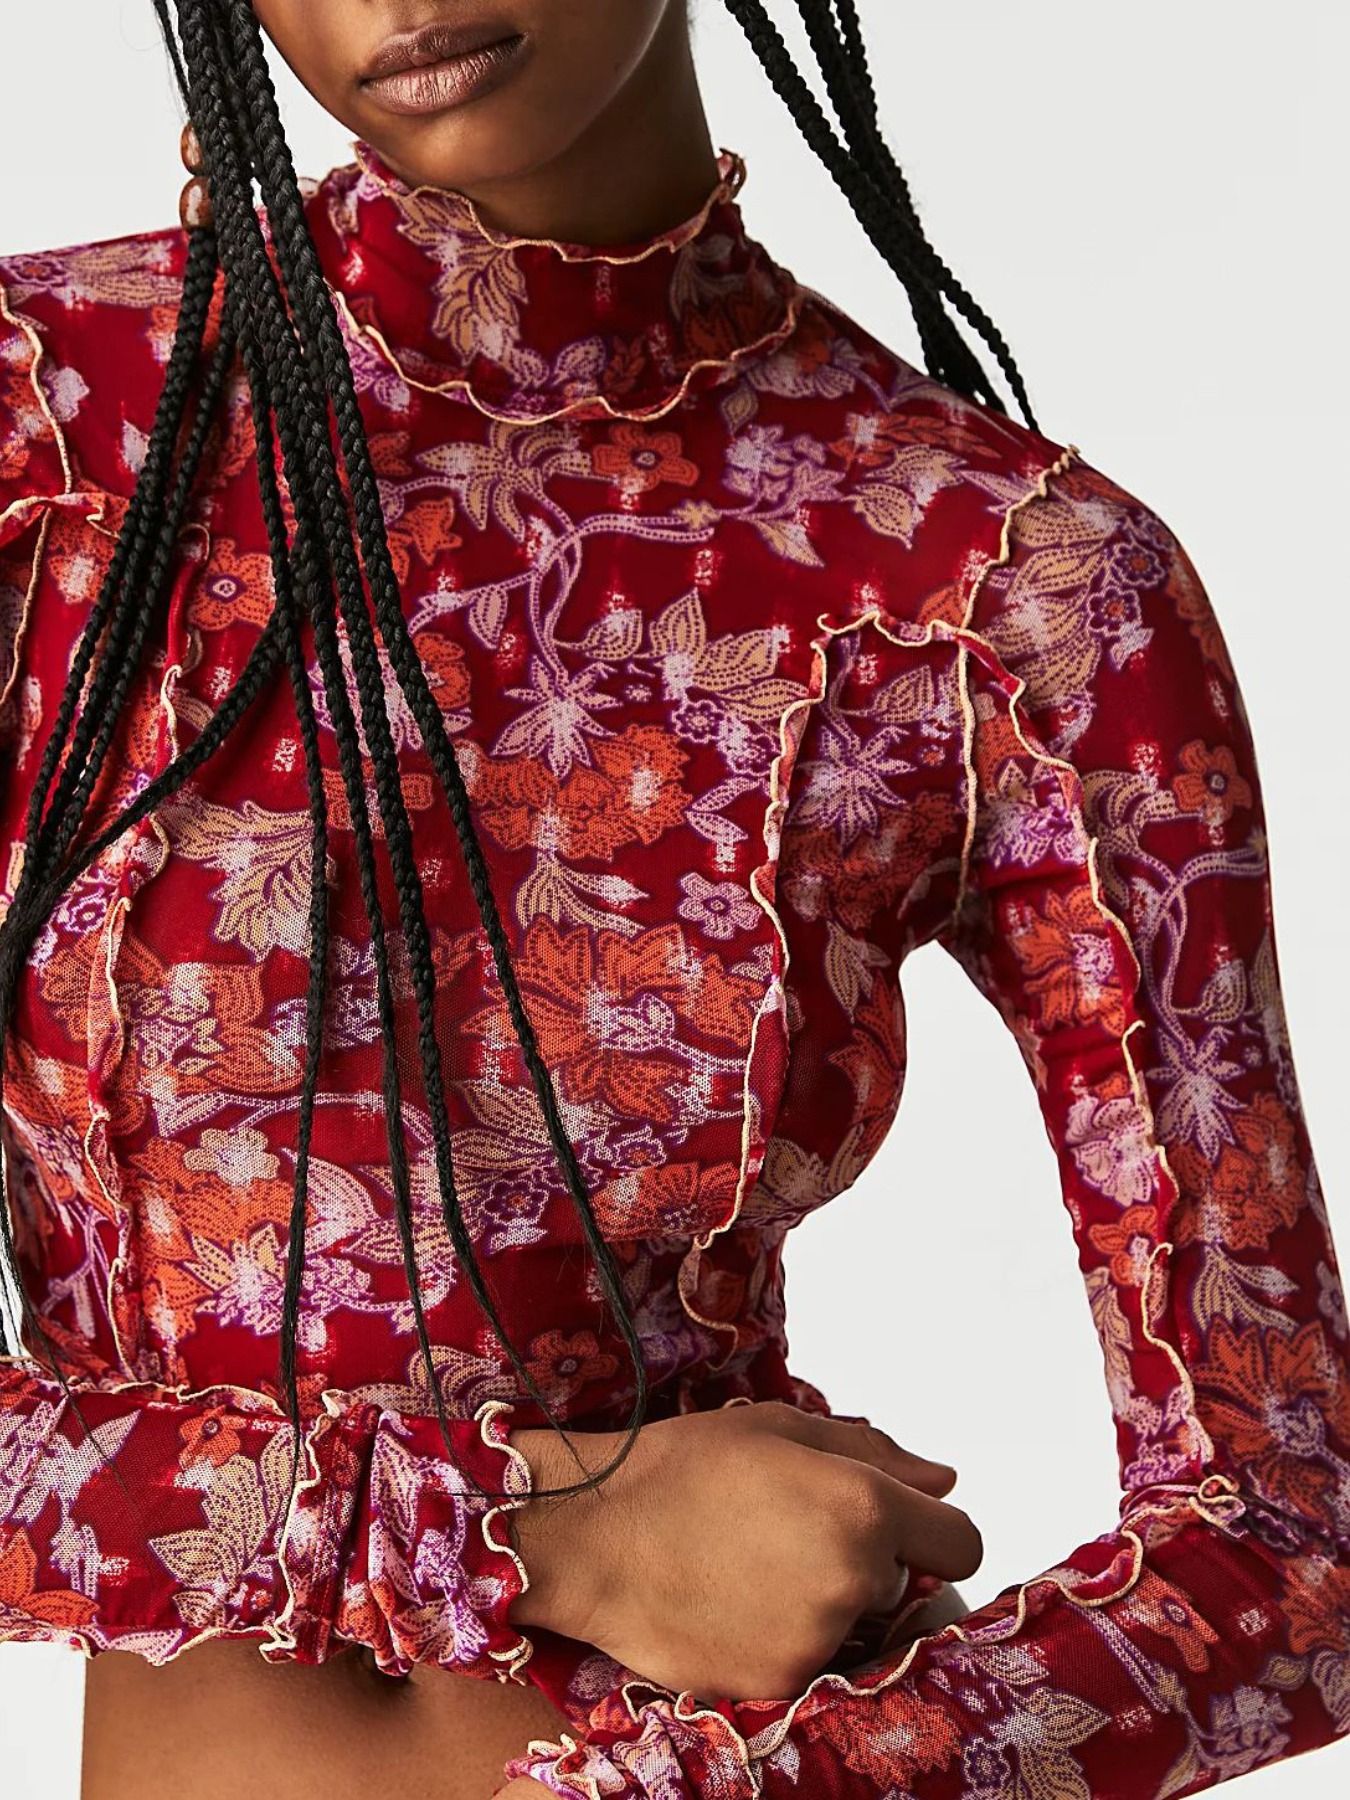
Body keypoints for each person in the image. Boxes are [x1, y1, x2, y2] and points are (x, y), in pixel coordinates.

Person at [0, 3, 1345, 1798]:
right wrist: (546, 1536)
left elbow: (1291, 1551)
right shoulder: (53, 430)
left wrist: (757, 1783)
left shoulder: (1003, 580)